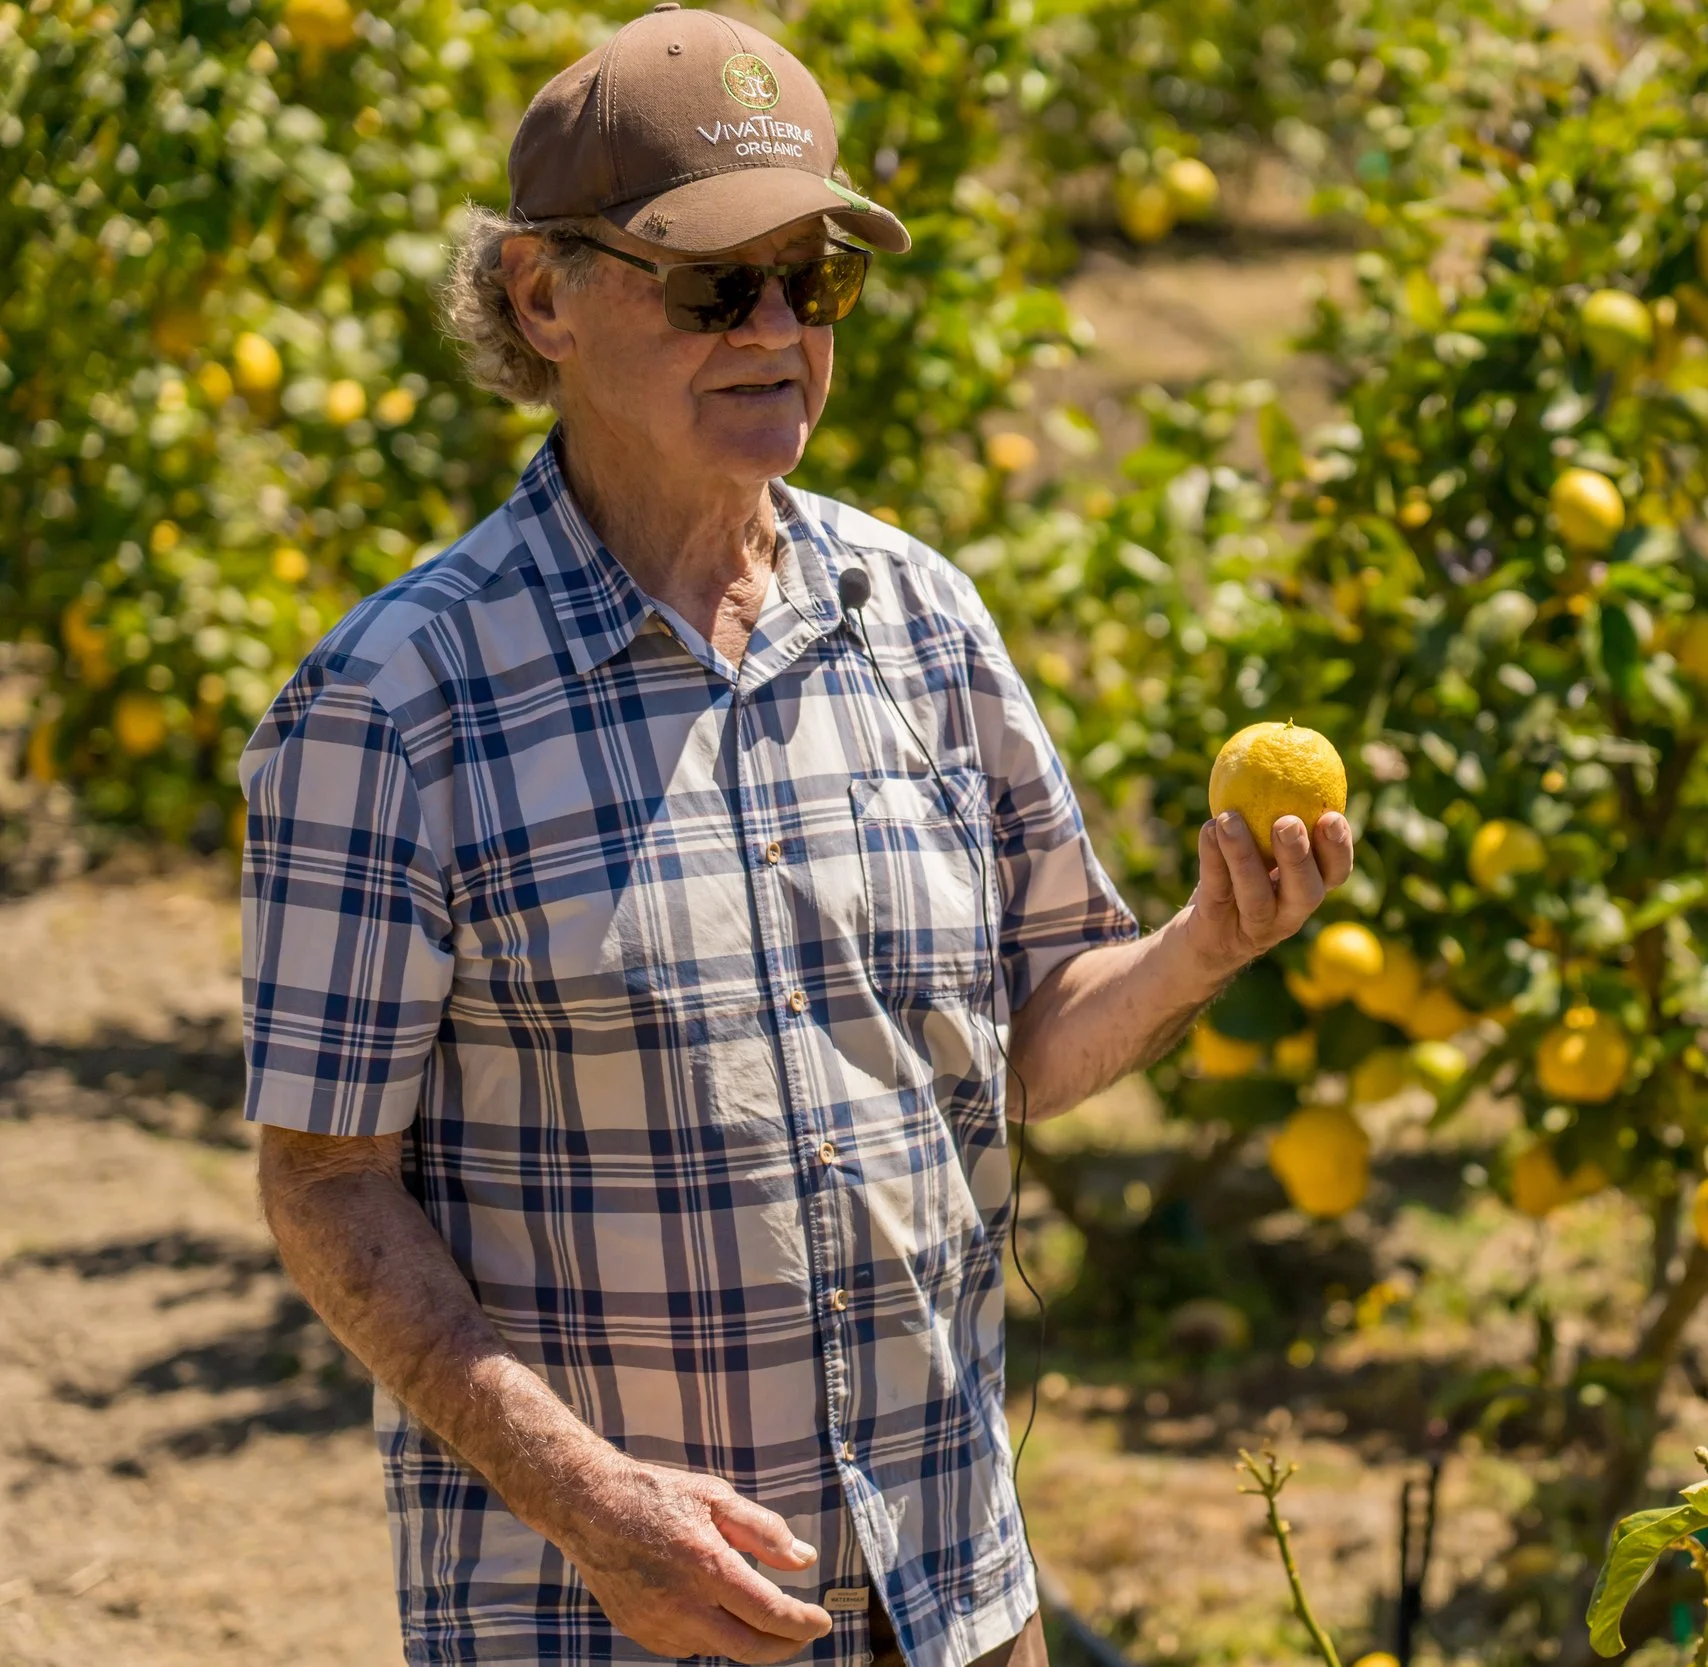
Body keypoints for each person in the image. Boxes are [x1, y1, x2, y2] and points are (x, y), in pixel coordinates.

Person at [239, 7, 1356, 1663]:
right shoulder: (395, 704)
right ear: (543, 297)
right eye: (714, 285)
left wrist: (1205, 944)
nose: (777, 328)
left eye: (813, 279)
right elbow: (324, 1178)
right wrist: (595, 1499)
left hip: (953, 1590)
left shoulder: (918, 619)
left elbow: (1027, 1038)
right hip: (609, 1614)